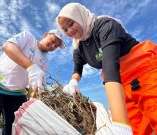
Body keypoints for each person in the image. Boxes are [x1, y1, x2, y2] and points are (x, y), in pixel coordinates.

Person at [56, 2, 157, 135]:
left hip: (144, 71)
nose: (69, 31)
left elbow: (110, 66)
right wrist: (73, 82)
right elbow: (77, 68)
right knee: (138, 130)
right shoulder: (79, 47)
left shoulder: (105, 25)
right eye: (65, 29)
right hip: (120, 85)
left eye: (71, 23)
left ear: (79, 16)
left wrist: (120, 124)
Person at [0, 29, 65, 135]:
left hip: (17, 94)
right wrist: (30, 66)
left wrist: (33, 99)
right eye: (53, 41)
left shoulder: (45, 62)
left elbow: (34, 85)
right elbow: (7, 46)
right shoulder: (28, 37)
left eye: (56, 46)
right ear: (45, 34)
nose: (53, 46)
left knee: (17, 129)